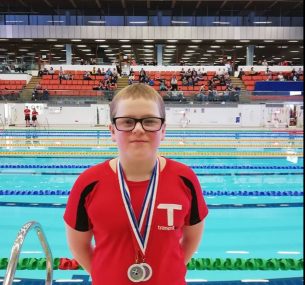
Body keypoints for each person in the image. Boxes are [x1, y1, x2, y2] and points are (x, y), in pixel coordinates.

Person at [63, 83, 208, 285]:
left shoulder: (185, 179)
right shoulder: (88, 183)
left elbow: (192, 239)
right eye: (127, 121)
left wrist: (169, 271)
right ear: (112, 130)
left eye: (149, 121)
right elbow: (79, 247)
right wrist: (105, 275)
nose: (138, 129)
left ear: (163, 130)